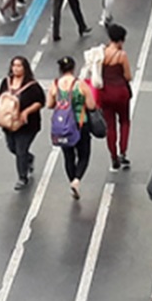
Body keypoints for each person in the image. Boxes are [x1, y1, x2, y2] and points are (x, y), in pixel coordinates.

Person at [0, 57, 45, 190]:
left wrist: (26, 112)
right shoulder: (6, 82)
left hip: (27, 125)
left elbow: (41, 101)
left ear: (25, 68)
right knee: (12, 147)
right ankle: (28, 158)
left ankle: (22, 177)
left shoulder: (32, 85)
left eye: (19, 66)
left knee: (21, 149)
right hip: (10, 124)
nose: (16, 68)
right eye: (14, 65)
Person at [47, 56, 96, 199]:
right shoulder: (80, 84)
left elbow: (49, 104)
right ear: (74, 68)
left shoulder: (55, 84)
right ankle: (77, 180)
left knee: (68, 156)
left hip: (63, 126)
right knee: (84, 155)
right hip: (81, 123)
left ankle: (71, 180)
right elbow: (92, 105)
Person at [99, 24, 132, 170]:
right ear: (121, 40)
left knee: (110, 126)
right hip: (120, 92)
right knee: (124, 121)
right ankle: (123, 152)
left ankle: (113, 156)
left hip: (105, 93)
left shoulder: (101, 53)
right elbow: (128, 76)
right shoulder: (121, 55)